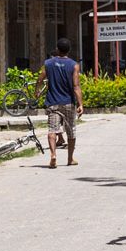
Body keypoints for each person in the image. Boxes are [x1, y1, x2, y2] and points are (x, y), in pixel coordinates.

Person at [41, 38, 83, 169]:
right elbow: (76, 86)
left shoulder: (48, 63)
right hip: (68, 103)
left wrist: (37, 91)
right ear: (69, 50)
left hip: (53, 102)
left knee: (52, 129)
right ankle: (70, 158)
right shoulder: (74, 65)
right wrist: (80, 104)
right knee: (71, 131)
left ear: (57, 49)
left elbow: (40, 78)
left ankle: (53, 155)